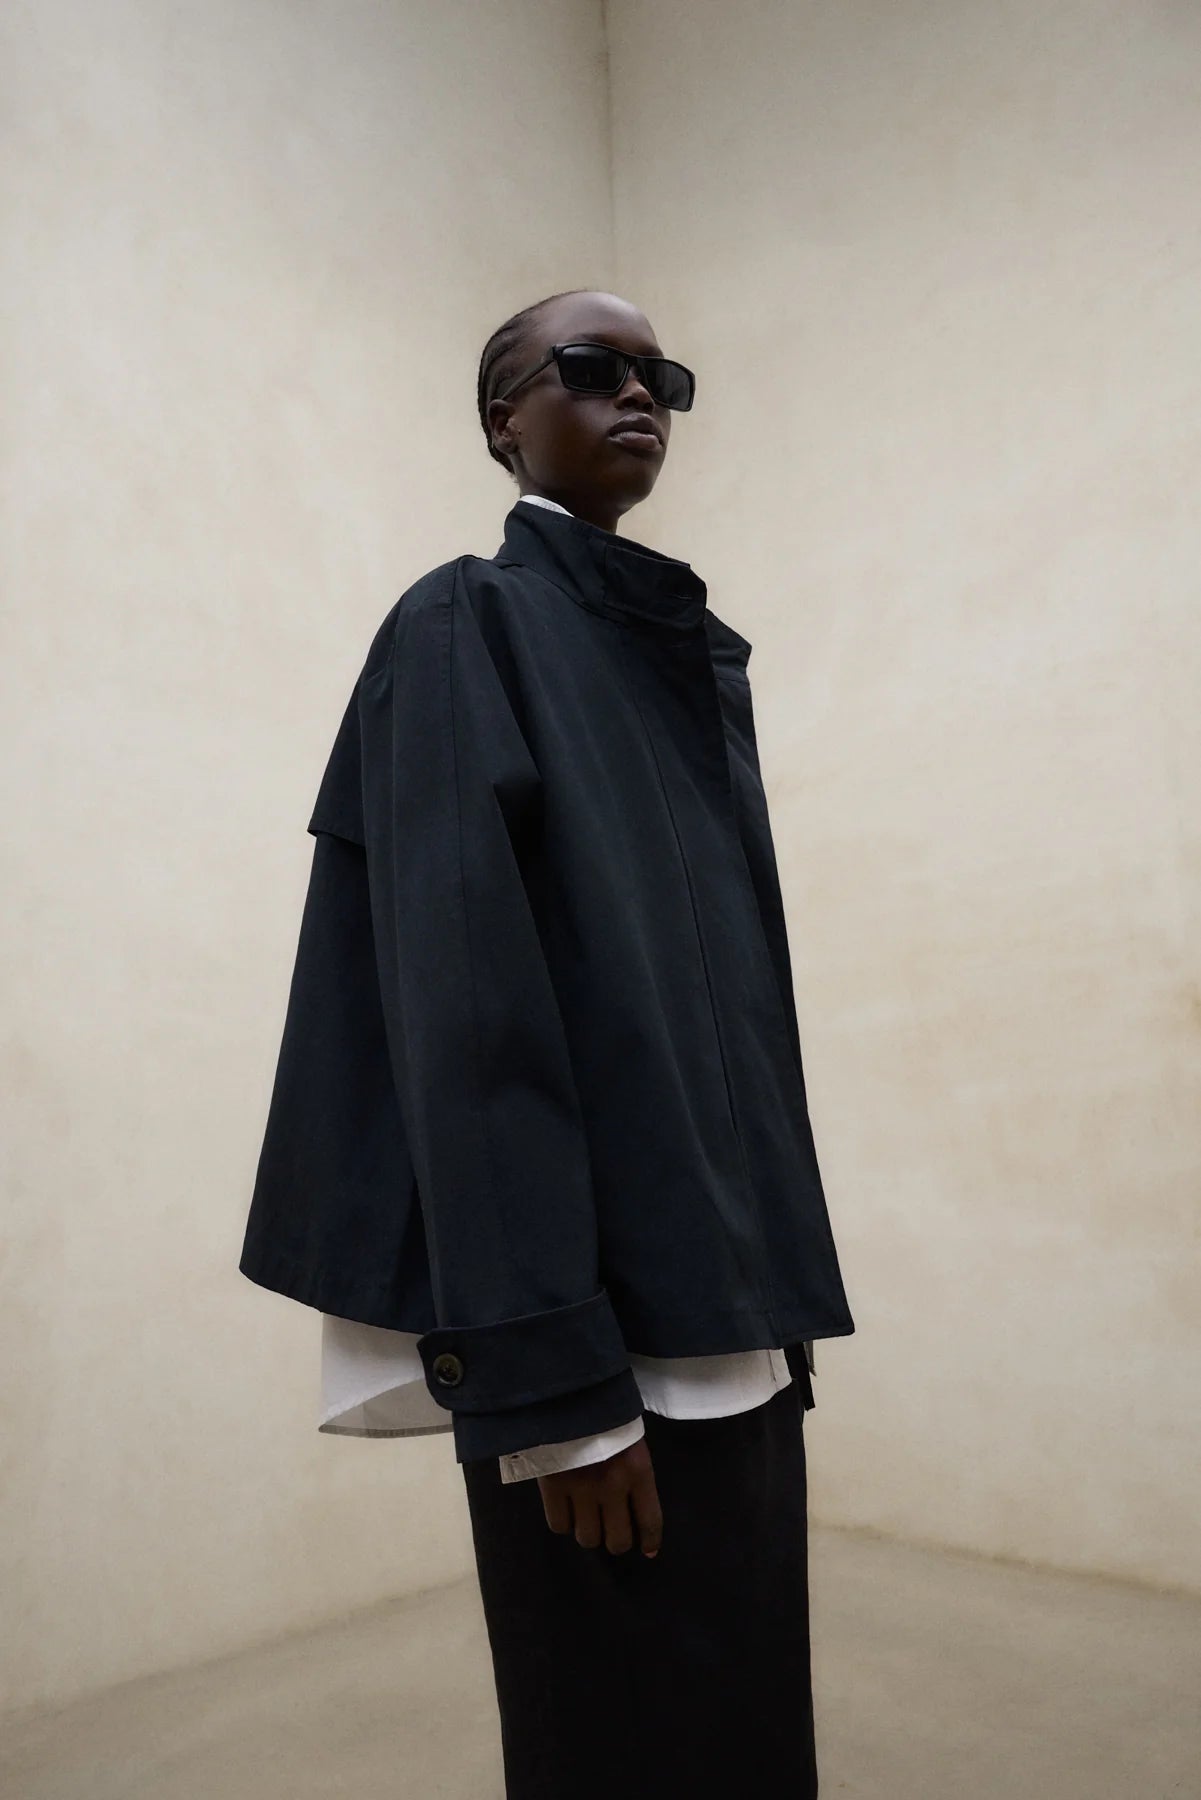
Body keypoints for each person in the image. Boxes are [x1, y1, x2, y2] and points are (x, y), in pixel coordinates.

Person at [239, 286, 855, 1799]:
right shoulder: (467, 625)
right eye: (590, 367)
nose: (637, 394)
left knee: (743, 1740)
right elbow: (466, 1020)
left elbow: (710, 1037)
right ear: (499, 420)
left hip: (727, 1320)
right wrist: (553, 1392)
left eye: (661, 376)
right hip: (600, 1352)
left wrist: (768, 1310)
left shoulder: (671, 656)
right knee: (621, 1746)